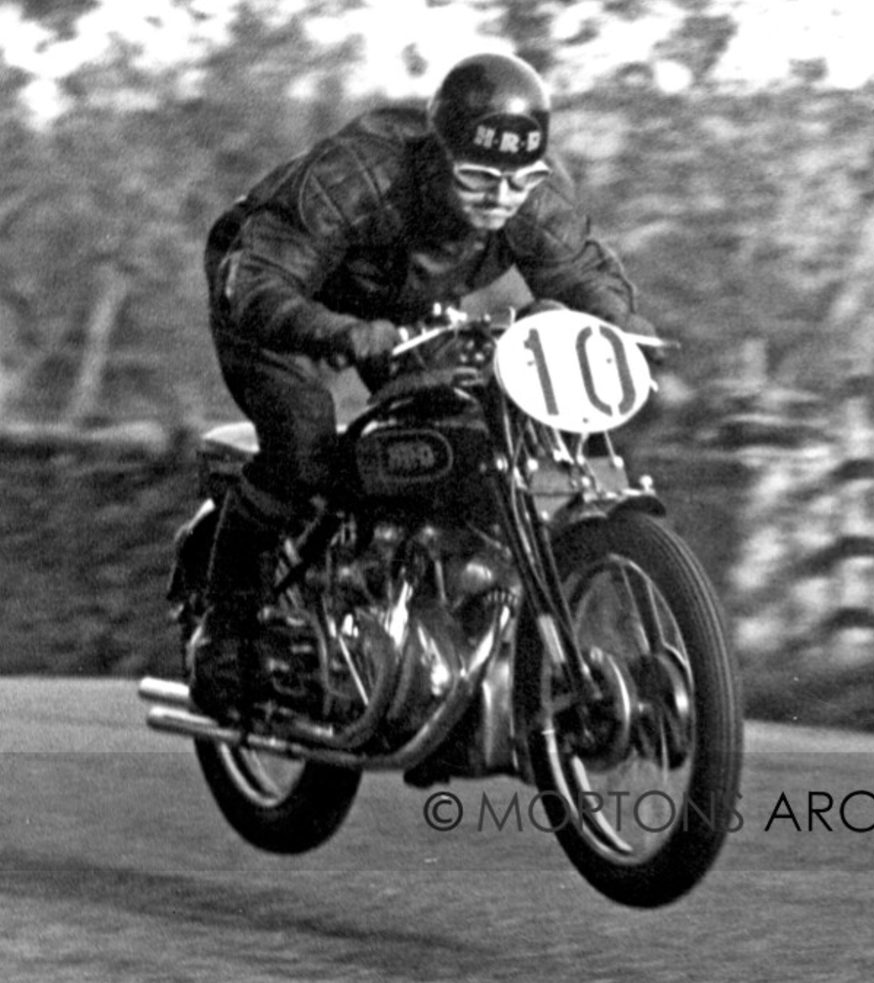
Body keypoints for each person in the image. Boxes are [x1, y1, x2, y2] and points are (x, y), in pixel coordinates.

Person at [191, 52, 658, 722]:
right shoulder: (357, 174)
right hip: (268, 287)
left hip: (403, 307)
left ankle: (424, 615)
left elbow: (582, 272)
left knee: (459, 425)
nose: (499, 197)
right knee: (301, 434)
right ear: (437, 155)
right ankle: (225, 628)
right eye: (476, 177)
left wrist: (628, 333)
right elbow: (257, 282)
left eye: (519, 180)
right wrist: (337, 330)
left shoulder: (529, 196)